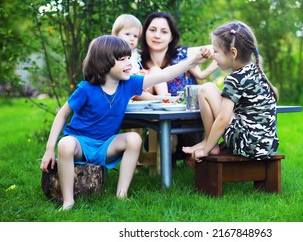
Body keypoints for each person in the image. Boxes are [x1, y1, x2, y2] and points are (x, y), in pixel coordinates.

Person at [40, 35, 210, 210]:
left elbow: (164, 75)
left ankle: (121, 194)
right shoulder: (86, 89)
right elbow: (62, 115)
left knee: (134, 139)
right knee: (65, 144)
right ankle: (68, 201)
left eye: (129, 57)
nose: (129, 63)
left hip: (106, 145)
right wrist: (49, 149)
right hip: (80, 144)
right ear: (103, 62)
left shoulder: (128, 84)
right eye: (122, 59)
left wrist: (192, 62)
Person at [182, 21, 279, 163]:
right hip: (267, 146)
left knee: (206, 89)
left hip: (247, 145)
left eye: (216, 51)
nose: (213, 56)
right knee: (210, 90)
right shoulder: (255, 71)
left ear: (233, 53)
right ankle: (210, 142)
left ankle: (209, 143)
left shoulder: (235, 78)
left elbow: (223, 119)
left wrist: (206, 151)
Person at [139, 11, 219, 162]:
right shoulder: (137, 60)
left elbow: (221, 47)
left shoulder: (183, 54)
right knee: (162, 138)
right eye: (152, 30)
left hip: (190, 123)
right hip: (156, 124)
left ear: (171, 37)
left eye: (164, 32)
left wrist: (204, 70)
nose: (157, 35)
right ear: (145, 33)